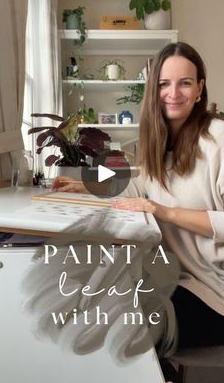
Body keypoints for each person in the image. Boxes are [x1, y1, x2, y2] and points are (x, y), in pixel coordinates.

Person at [52, 42, 224, 381]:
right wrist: (86, 187)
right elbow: (138, 185)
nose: (173, 93)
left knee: (122, 329)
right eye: (163, 84)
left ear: (200, 88)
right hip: (179, 283)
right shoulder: (157, 145)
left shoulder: (218, 138)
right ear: (153, 89)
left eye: (185, 83)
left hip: (215, 293)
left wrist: (164, 212)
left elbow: (154, 203)